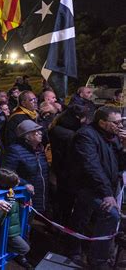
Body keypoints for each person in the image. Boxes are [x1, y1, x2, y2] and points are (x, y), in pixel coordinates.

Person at [67, 106, 125, 268]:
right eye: (116, 122)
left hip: (104, 186)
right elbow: (91, 166)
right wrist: (107, 193)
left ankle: (75, 248)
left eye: (122, 121)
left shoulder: (112, 137)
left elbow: (120, 164)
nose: (120, 126)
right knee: (110, 215)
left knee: (81, 216)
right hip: (87, 186)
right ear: (102, 122)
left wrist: (125, 147)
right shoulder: (86, 136)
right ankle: (97, 259)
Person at [48, 104, 88, 225]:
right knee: (64, 201)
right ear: (77, 117)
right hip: (67, 173)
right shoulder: (70, 135)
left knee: (61, 201)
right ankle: (62, 225)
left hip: (61, 171)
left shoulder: (59, 127)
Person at [4, 120, 49, 213]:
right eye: (36, 131)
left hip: (42, 196)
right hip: (25, 196)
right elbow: (7, 172)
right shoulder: (15, 150)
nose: (40, 133)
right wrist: (24, 183)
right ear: (27, 135)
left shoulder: (40, 150)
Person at [0, 168, 33, 269]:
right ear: (7, 184)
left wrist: (21, 203)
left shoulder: (11, 192)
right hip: (8, 231)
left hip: (12, 229)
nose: (19, 182)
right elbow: (2, 215)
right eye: (16, 182)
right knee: (25, 248)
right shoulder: (0, 197)